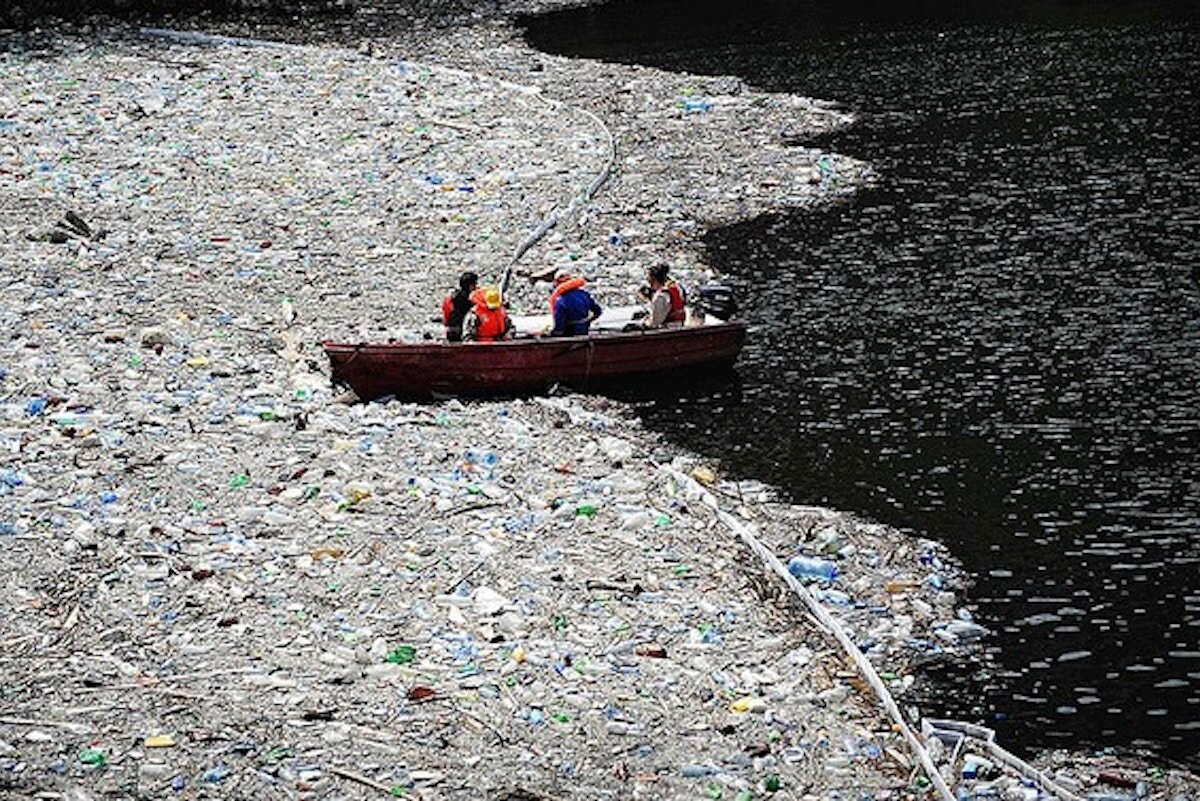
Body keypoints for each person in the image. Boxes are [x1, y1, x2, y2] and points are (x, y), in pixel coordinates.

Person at [548, 269, 602, 336]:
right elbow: (598, 311)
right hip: (584, 331)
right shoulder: (584, 294)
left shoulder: (560, 301)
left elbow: (559, 326)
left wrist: (554, 333)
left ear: (557, 283)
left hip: (570, 332)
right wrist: (586, 322)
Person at [643, 263, 687, 327]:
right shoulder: (676, 289)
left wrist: (646, 322)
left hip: (666, 330)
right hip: (678, 326)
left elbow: (656, 322)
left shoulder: (661, 296)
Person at [441, 271, 478, 342]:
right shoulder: (471, 300)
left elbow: (446, 316)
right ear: (470, 286)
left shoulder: (450, 298)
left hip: (451, 332)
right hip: (464, 334)